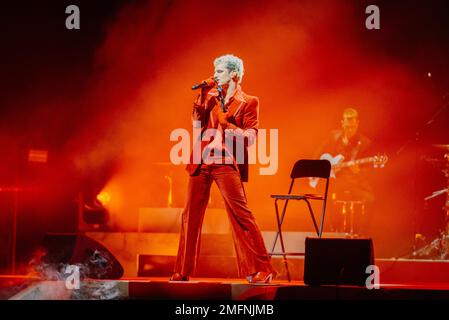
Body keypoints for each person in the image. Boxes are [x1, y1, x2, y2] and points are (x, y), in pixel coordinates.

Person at [170, 54, 275, 284]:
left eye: (219, 72)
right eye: (214, 71)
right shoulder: (210, 98)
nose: (214, 75)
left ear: (233, 74)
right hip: (201, 161)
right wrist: (202, 95)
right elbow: (197, 125)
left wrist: (229, 126)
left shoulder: (249, 101)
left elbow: (250, 138)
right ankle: (183, 269)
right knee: (190, 215)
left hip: (227, 161)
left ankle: (262, 269)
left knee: (241, 214)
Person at [314, 108, 375, 235]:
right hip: (336, 181)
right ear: (342, 123)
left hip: (355, 183)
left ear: (357, 123)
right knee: (323, 197)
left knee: (370, 200)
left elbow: (369, 170)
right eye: (347, 127)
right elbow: (318, 154)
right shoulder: (333, 136)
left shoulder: (365, 143)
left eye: (353, 127)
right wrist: (327, 166)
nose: (350, 130)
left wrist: (358, 171)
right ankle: (334, 231)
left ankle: (361, 235)